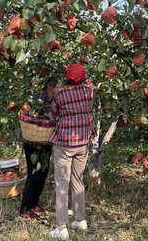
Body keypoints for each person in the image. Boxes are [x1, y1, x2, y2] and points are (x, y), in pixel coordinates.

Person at [48, 64, 96, 240]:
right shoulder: (89, 91)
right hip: (82, 142)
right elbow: (90, 83)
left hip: (64, 143)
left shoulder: (61, 93)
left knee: (61, 183)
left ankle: (61, 228)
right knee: (78, 180)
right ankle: (80, 220)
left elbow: (54, 111)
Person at [19, 76, 61, 219]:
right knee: (34, 174)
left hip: (45, 141)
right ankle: (25, 209)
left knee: (43, 172)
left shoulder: (55, 99)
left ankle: (34, 204)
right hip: (33, 141)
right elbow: (38, 112)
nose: (60, 86)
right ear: (50, 84)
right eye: (58, 83)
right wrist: (48, 115)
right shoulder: (40, 95)